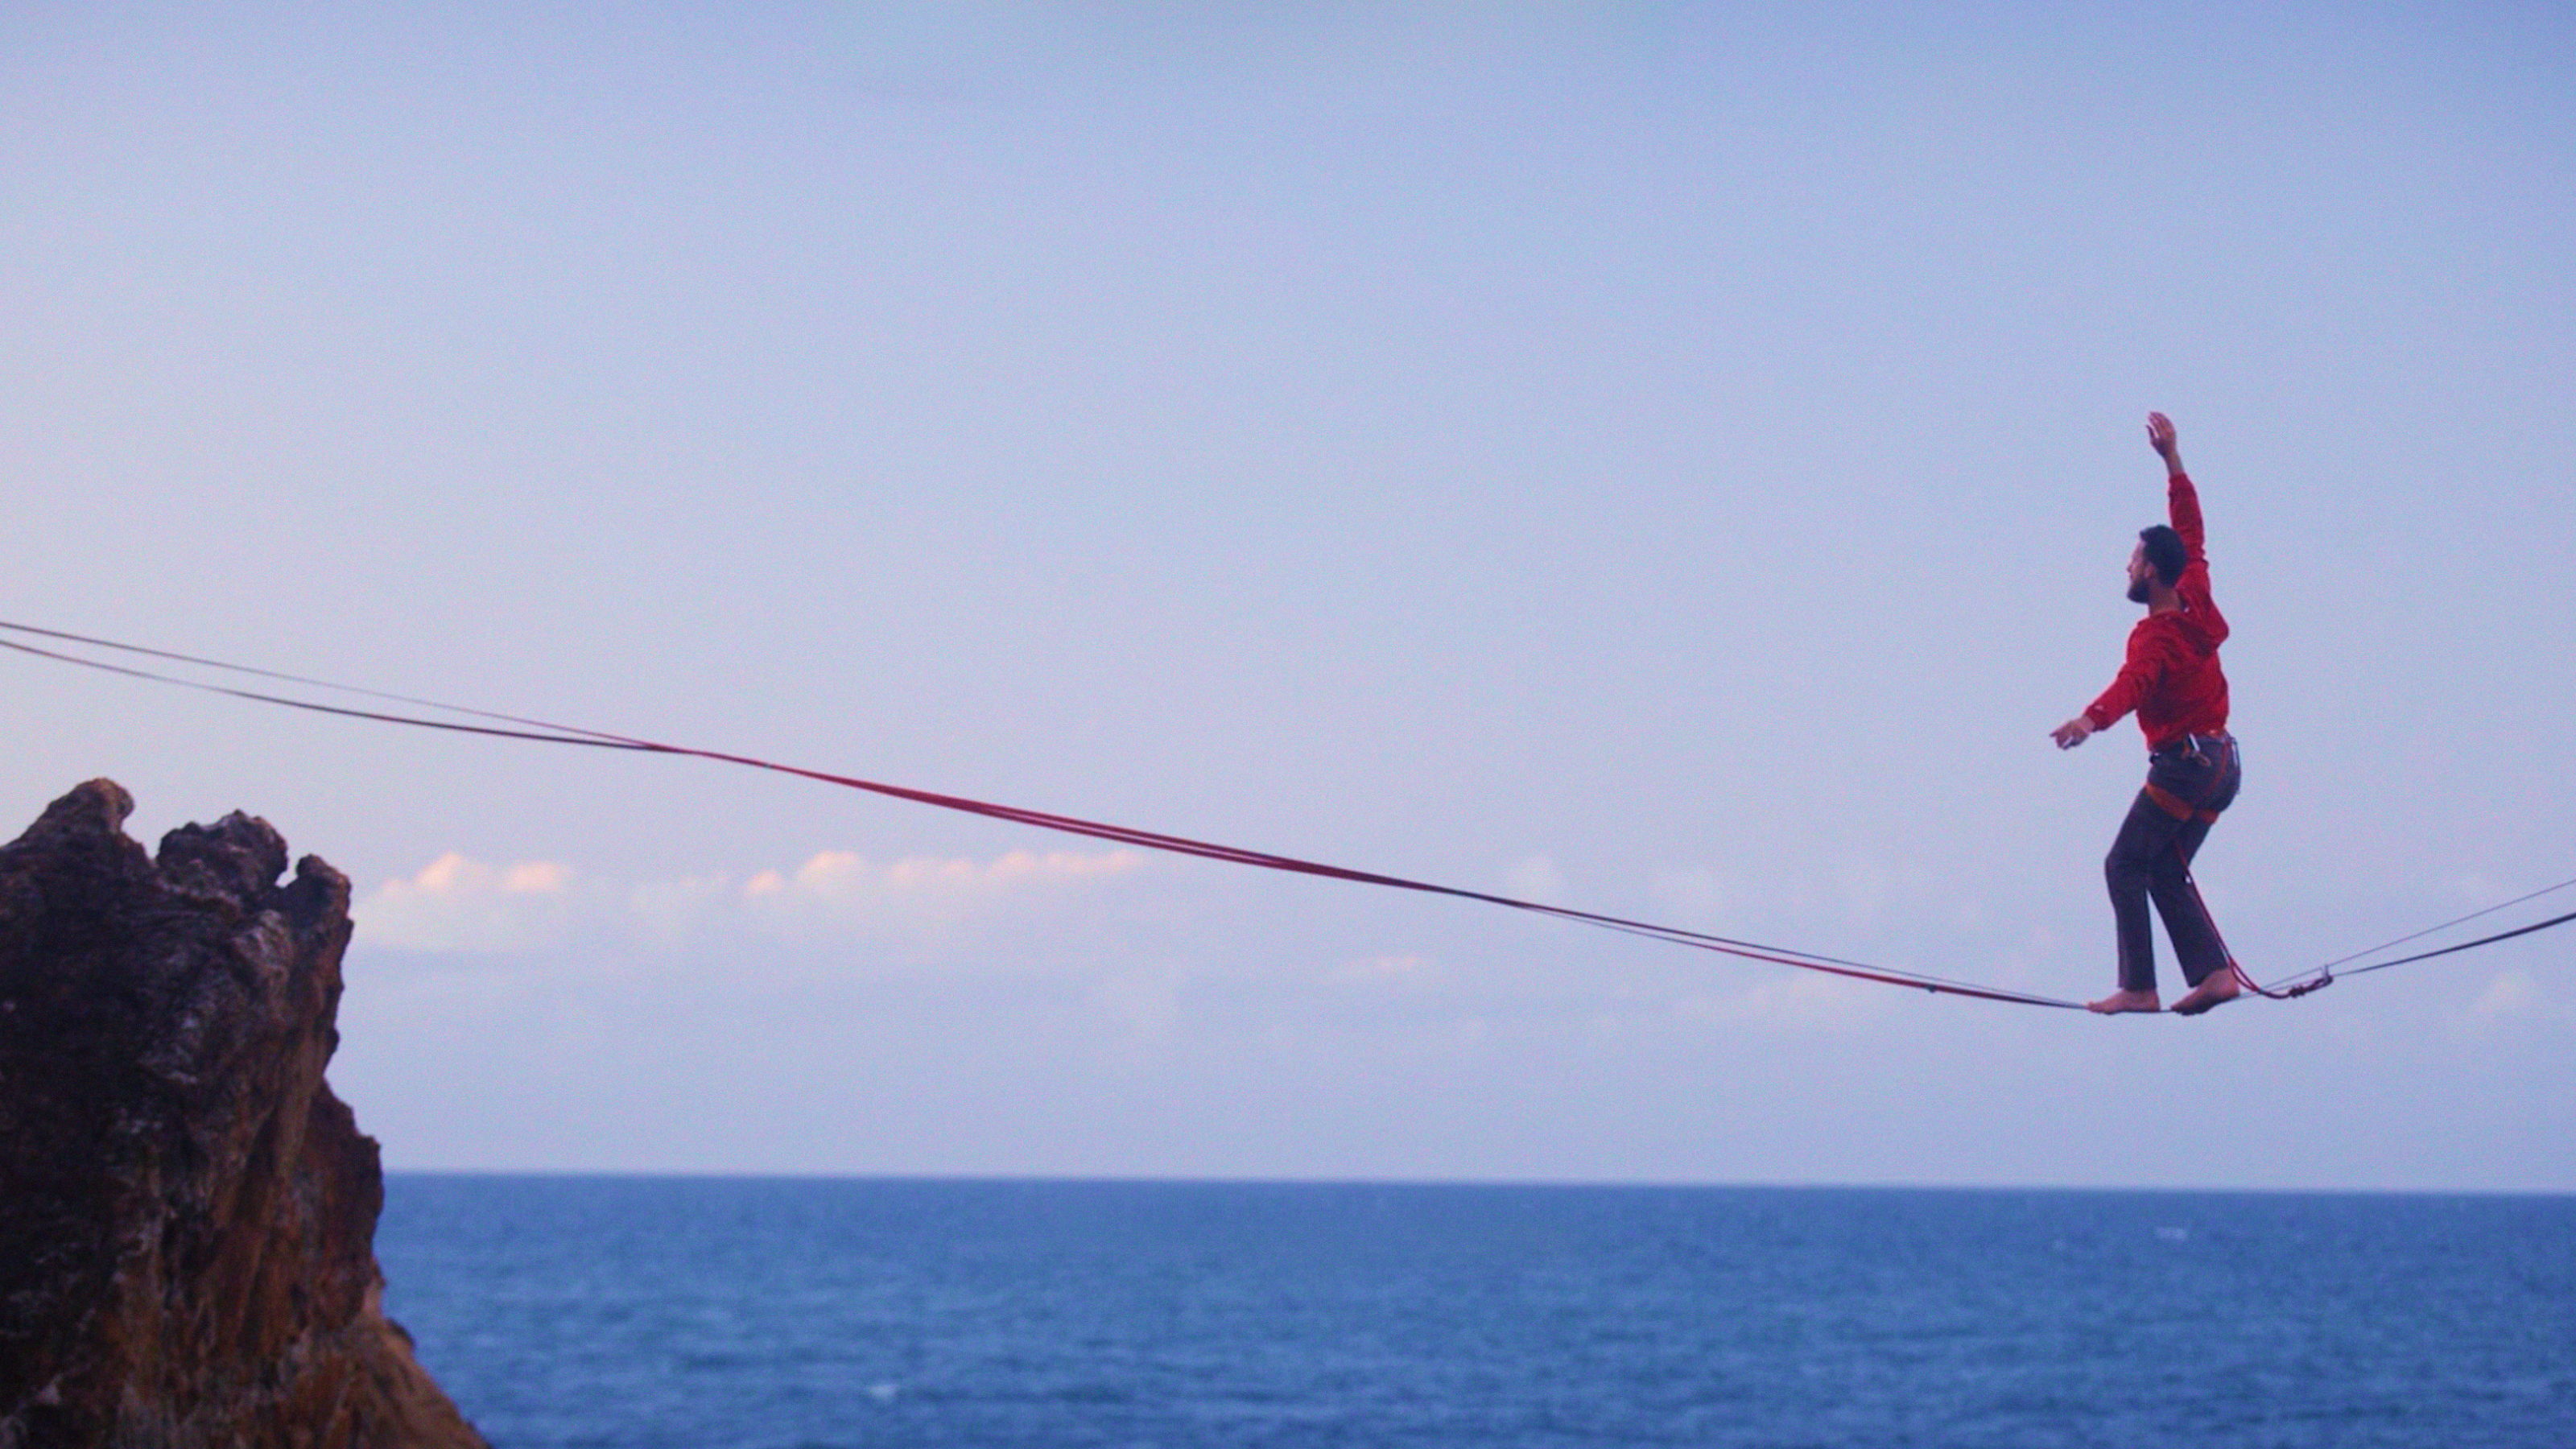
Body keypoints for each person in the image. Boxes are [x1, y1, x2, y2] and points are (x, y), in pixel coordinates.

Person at [2051, 412, 2245, 1015]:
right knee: (2162, 871)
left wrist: (2090, 719)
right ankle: (2216, 976)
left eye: (2133, 561)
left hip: (2185, 764)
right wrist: (2172, 461)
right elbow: (2191, 529)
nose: (2127, 568)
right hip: (2225, 765)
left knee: (2123, 865)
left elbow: (2133, 684)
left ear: (2152, 571)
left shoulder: (2156, 637)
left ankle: (2140, 986)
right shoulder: (2198, 592)